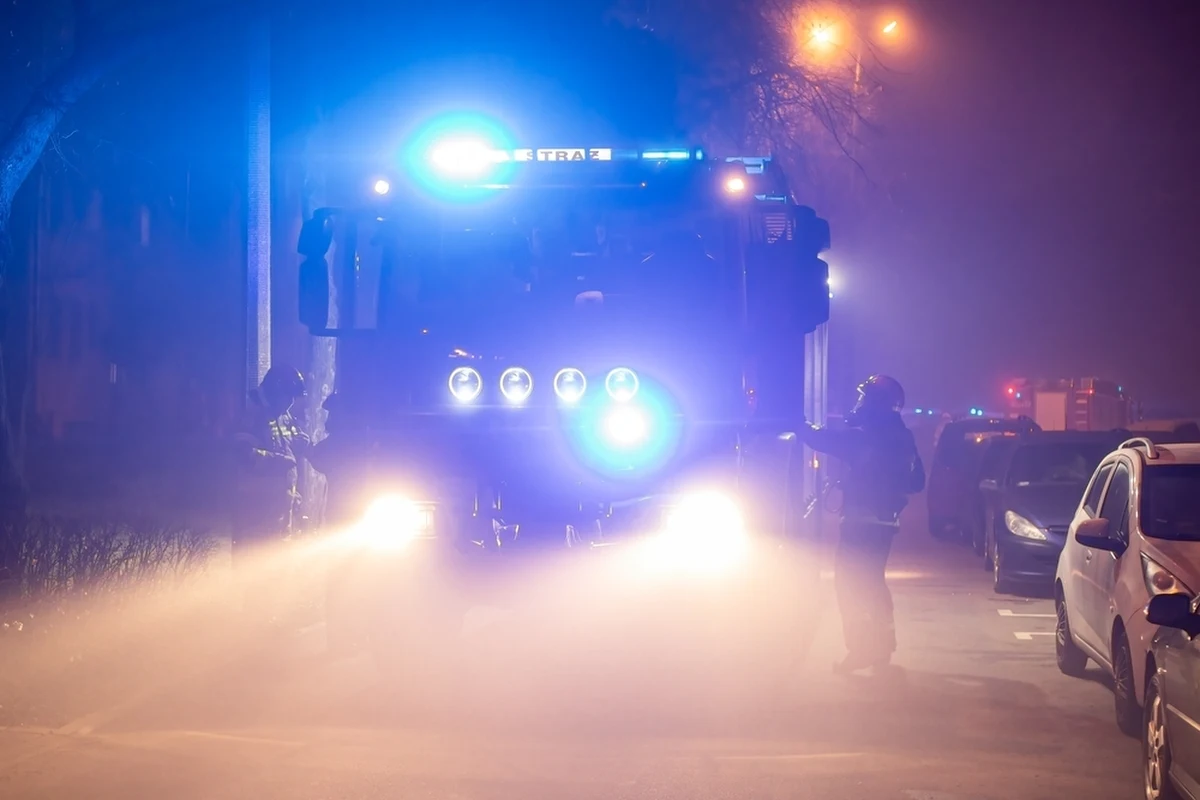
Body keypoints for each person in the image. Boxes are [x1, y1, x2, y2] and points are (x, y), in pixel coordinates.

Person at [799, 375, 925, 674]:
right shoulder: (904, 437)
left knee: (850, 585)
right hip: (885, 523)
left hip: (860, 523)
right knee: (873, 584)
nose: (858, 405)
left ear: (875, 404)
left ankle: (861, 649)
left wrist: (797, 422)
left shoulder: (866, 436)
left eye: (863, 399)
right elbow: (917, 482)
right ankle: (883, 645)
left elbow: (822, 439)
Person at [231, 365, 312, 620]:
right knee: (256, 576)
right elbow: (242, 455)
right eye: (288, 396)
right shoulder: (251, 414)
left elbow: (293, 436)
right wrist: (280, 461)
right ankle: (254, 629)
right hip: (255, 513)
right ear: (275, 392)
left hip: (280, 512)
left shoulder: (281, 414)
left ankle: (274, 623)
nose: (290, 403)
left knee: (278, 573)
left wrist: (302, 441)